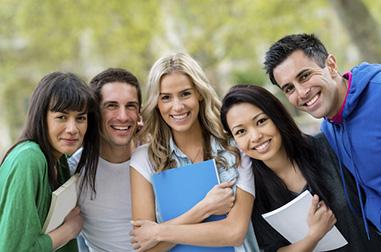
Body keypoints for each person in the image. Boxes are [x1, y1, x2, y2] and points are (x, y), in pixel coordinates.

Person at [220, 84, 381, 251]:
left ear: (277, 116)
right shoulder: (252, 194)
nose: (255, 137)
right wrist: (314, 236)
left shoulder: (328, 146)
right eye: (241, 132)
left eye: (261, 121)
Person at [129, 52, 258, 251]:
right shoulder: (144, 160)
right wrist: (204, 208)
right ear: (156, 102)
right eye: (166, 97)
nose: (177, 106)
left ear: (199, 93)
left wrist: (158, 232)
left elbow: (234, 233)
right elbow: (145, 248)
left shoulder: (235, 148)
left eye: (185, 93)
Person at [263, 33, 381, 235]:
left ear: (331, 65)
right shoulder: (329, 128)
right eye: (289, 88)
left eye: (305, 76)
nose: (301, 92)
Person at [0, 72, 100, 251]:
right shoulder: (29, 159)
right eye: (61, 117)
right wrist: (69, 229)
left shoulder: (59, 159)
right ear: (41, 117)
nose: (72, 129)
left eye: (81, 118)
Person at [68, 68, 142, 251]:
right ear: (94, 113)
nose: (123, 116)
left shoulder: (157, 159)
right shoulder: (74, 170)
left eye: (131, 105)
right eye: (112, 106)